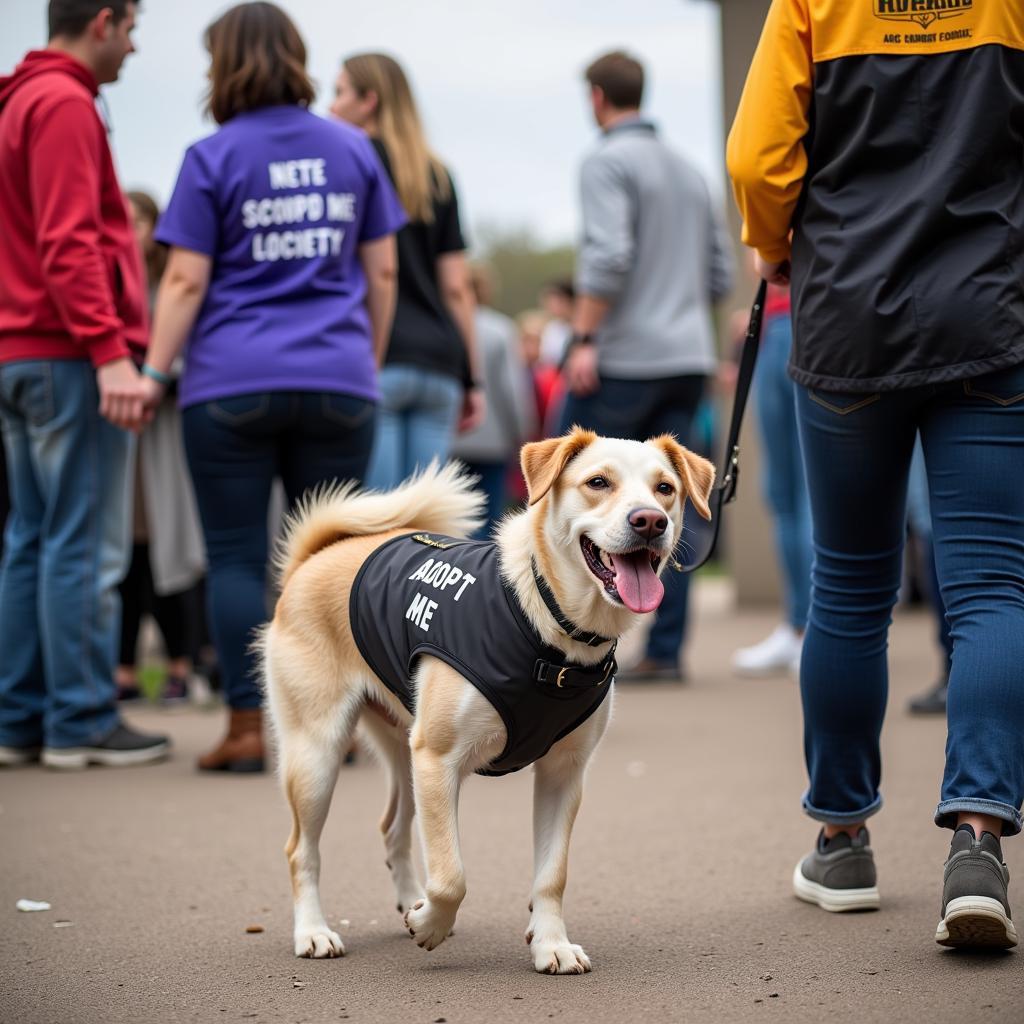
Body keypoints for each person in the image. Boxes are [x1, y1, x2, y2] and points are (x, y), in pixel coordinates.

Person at [728, 1, 1024, 948]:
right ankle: (978, 842)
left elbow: (755, 159)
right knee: (990, 589)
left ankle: (843, 840)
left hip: (848, 315)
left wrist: (777, 246)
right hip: (992, 314)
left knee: (851, 584)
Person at [114, 1, 406, 773]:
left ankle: (248, 729)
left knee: (239, 557)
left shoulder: (210, 156)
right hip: (338, 377)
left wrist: (151, 373)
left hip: (230, 381)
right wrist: (362, 360)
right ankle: (338, 725)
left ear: (222, 65)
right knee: (337, 558)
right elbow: (381, 270)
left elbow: (182, 280)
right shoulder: (352, 150)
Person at [0, 0, 169, 770]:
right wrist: (109, 352)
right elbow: (68, 241)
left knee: (31, 540)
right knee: (78, 543)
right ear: (102, 19)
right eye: (131, 29)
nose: (133, 48)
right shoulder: (65, 103)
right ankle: (76, 719)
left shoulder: (19, 99)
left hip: (21, 350)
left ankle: (21, 719)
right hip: (68, 354)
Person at [562, 50, 734, 683]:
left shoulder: (606, 160)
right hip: (688, 356)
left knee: (591, 491)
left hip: (626, 355)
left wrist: (583, 336)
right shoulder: (691, 172)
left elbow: (607, 257)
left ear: (598, 98)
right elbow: (719, 273)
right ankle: (666, 650)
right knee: (670, 500)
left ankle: (567, 643)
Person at [330, 53, 483, 489]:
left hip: (377, 354)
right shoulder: (438, 175)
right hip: (439, 362)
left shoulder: (351, 165)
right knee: (426, 519)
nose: (332, 106)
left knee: (381, 518)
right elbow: (457, 287)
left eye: (339, 92)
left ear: (369, 101)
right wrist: (473, 379)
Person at [116, 191, 207, 705]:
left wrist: (153, 378)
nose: (132, 232)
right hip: (125, 434)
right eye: (123, 222)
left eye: (140, 222)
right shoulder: (112, 281)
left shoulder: (171, 283)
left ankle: (181, 664)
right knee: (128, 555)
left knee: (172, 554)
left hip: (166, 435)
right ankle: (123, 670)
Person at [731, 276, 812, 677]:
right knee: (782, 494)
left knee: (807, 496)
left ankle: (816, 631)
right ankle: (796, 626)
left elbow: (766, 259)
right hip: (775, 327)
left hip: (814, 320)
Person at [450, 265, 536, 532]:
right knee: (488, 519)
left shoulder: (443, 324)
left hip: (448, 437)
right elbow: (513, 389)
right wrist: (524, 432)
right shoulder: (500, 329)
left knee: (452, 518)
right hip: (492, 440)